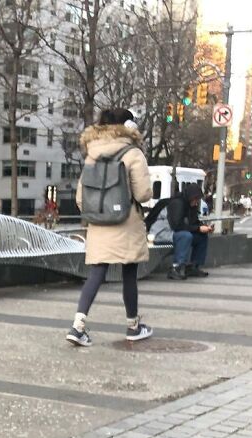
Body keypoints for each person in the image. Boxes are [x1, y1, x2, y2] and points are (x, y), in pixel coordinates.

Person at [66, 108, 153, 347]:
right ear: (128, 127)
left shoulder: (92, 154)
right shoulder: (133, 153)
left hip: (99, 222)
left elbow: (81, 199)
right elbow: (144, 194)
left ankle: (78, 326)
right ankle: (133, 326)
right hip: (127, 222)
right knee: (129, 275)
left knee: (96, 273)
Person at [166, 183, 214, 280]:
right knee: (186, 236)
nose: (197, 203)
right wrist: (198, 228)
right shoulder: (178, 203)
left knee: (201, 236)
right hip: (168, 232)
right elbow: (177, 225)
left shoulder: (191, 205)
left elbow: (193, 222)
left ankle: (194, 266)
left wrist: (203, 227)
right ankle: (176, 267)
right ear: (191, 197)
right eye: (196, 200)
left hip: (180, 231)